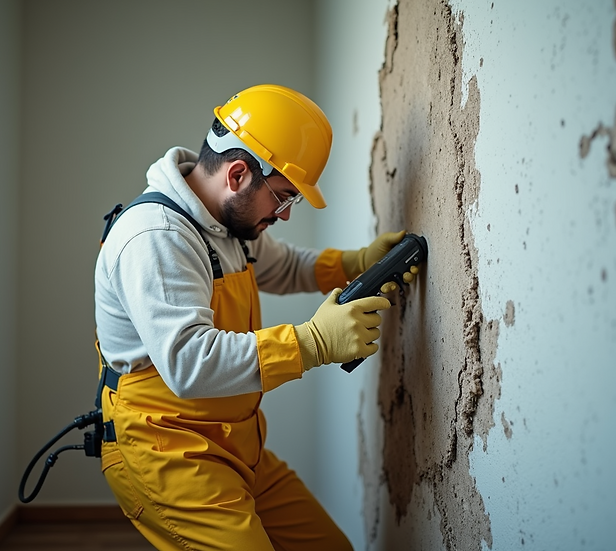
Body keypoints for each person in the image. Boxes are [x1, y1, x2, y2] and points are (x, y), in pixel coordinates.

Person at [94, 84, 410, 551]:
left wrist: (356, 262)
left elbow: (283, 266)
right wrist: (313, 343)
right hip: (164, 449)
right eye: (282, 197)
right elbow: (189, 361)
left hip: (235, 442)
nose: (283, 214)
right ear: (239, 174)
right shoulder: (157, 236)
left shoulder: (226, 223)